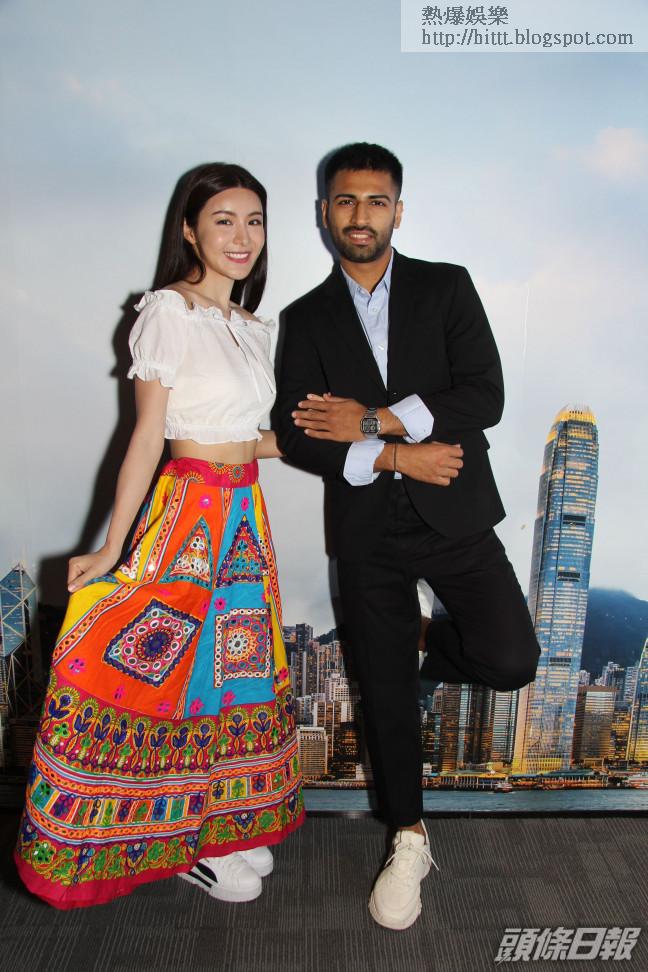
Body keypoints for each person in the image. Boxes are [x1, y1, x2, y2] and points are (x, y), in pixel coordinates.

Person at [15, 163, 304, 910]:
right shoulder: (168, 312)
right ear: (189, 230)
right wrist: (112, 546)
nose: (241, 237)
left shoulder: (254, 327)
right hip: (189, 513)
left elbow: (246, 438)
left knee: (233, 668)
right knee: (166, 670)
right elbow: (149, 436)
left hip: (246, 515)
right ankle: (171, 841)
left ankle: (214, 824)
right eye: (223, 220)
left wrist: (326, 436)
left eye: (254, 221)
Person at [276, 143, 540, 931]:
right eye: (345, 200)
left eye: (376, 200)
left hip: (454, 509)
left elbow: (484, 394)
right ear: (324, 212)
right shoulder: (304, 318)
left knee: (511, 659)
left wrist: (374, 420)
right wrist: (395, 454)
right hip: (367, 530)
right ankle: (409, 838)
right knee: (386, 694)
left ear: (399, 210)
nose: (360, 215)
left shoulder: (446, 286)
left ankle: (426, 638)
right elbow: (297, 435)